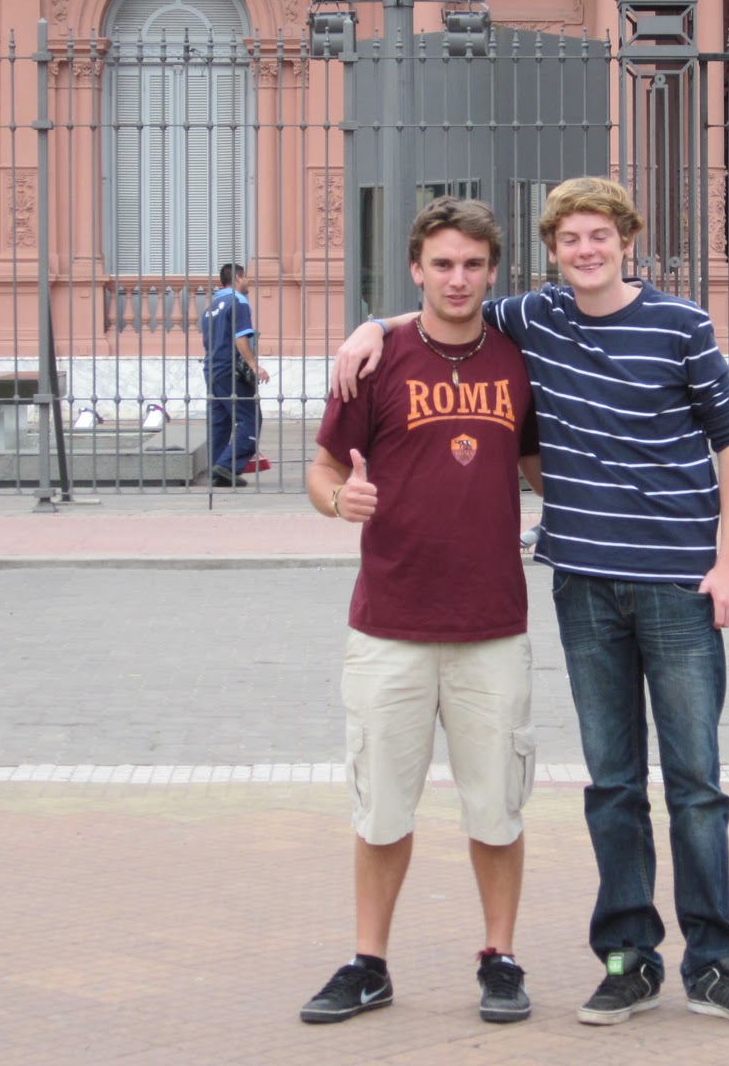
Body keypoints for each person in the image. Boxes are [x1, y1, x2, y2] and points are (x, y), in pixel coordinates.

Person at [333, 177, 729, 1029]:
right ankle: (628, 958)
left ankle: (717, 962)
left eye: (600, 236)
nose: (586, 250)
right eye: (570, 238)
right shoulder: (535, 317)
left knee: (695, 784)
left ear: (627, 241)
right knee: (612, 783)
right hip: (582, 583)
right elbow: (444, 307)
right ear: (551, 251)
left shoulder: (683, 327)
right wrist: (371, 327)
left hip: (677, 583)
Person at [301, 198, 543, 1027]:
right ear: (416, 269)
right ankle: (369, 964)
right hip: (390, 623)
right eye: (442, 264)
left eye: (473, 264)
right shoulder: (376, 361)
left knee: (497, 808)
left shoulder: (518, 358)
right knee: (381, 810)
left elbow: (540, 468)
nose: (457, 279)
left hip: (492, 625)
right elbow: (322, 470)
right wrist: (341, 501)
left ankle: (500, 958)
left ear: (493, 271)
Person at [199, 263, 269, 487]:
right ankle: (227, 466)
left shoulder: (210, 308)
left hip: (212, 369)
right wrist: (254, 365)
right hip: (231, 370)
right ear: (238, 277)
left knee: (219, 422)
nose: (248, 281)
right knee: (250, 419)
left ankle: (217, 472)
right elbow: (241, 338)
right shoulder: (238, 301)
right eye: (245, 276)